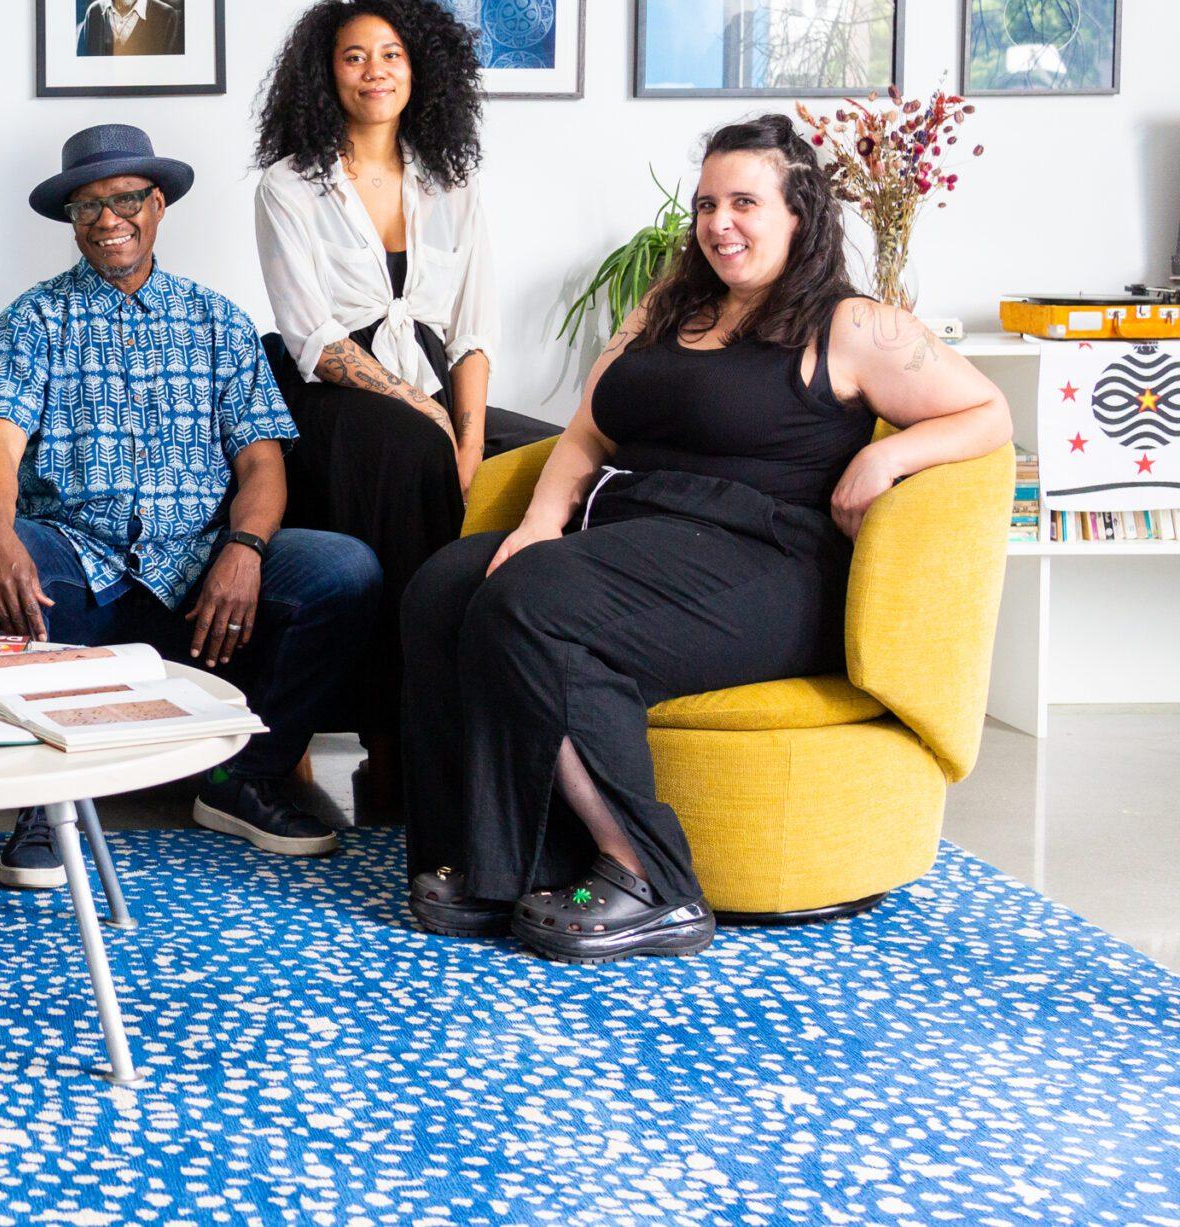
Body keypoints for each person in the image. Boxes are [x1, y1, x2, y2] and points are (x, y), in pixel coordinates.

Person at [400, 114, 1011, 962]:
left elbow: (990, 411)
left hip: (762, 564)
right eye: (706, 204)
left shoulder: (854, 326)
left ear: (800, 213)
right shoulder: (667, 305)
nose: (719, 222)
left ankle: (649, 877)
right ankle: (494, 860)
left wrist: (890, 456)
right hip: (626, 537)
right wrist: (538, 522)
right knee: (445, 586)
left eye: (745, 202)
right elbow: (588, 427)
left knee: (533, 602)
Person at [0, 124, 381, 889]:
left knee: (344, 571)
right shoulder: (34, 319)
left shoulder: (218, 321)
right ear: (71, 221)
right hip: (75, 559)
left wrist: (245, 549)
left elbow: (262, 462)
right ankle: (45, 797)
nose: (108, 219)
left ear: (158, 205)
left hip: (202, 562)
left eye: (125, 199)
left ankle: (244, 778)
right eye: (88, 206)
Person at [251, 0, 556, 813]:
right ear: (327, 74)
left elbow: (474, 330)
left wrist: (470, 431)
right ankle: (397, 751)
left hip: (430, 392)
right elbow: (311, 336)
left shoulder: (450, 183)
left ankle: (519, 728)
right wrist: (430, 419)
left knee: (553, 455)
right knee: (412, 447)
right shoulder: (289, 185)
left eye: (390, 54)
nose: (374, 71)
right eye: (354, 57)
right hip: (330, 396)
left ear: (419, 69)